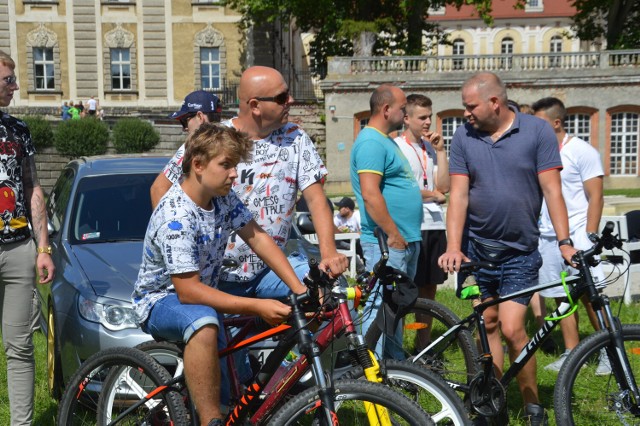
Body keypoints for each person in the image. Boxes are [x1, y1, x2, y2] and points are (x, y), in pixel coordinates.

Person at [150, 66, 347, 381]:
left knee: (330, 300)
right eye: (282, 97)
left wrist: (327, 253)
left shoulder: (295, 138)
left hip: (270, 268)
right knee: (233, 380)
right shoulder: (216, 140)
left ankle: (292, 380)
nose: (291, 101)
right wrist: (181, 248)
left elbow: (316, 198)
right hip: (218, 277)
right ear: (255, 105)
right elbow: (161, 188)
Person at [133, 123, 302, 426]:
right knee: (204, 322)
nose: (234, 174)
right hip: (160, 301)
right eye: (226, 165)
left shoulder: (222, 198)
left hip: (199, 298)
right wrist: (258, 306)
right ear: (197, 165)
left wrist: (298, 289)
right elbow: (188, 292)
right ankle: (212, 420)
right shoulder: (177, 216)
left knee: (228, 338)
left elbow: (258, 237)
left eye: (235, 165)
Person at [438, 72, 576, 426]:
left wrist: (564, 242)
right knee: (489, 323)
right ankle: (493, 401)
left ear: (494, 103)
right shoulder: (464, 136)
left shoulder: (536, 131)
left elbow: (552, 191)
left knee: (515, 329)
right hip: (477, 252)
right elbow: (459, 195)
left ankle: (533, 406)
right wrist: (454, 246)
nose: (465, 113)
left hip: (520, 252)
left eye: (470, 107)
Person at [532, 97, 610, 374]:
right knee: (560, 296)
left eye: (538, 122)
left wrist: (589, 235)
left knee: (590, 294)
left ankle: (608, 354)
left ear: (556, 122)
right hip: (549, 236)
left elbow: (596, 195)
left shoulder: (581, 150)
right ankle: (571, 352)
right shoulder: (538, 151)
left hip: (577, 233)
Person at [0, 50, 55, 426]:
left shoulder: (18, 130)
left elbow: (34, 187)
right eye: (8, 80)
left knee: (20, 348)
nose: (16, 86)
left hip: (18, 248)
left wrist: (43, 247)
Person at [350, 84, 423, 359]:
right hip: (387, 242)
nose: (405, 114)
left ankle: (395, 364)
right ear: (386, 109)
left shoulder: (384, 140)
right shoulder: (371, 142)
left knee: (396, 305)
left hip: (401, 239)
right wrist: (392, 234)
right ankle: (372, 371)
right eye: (403, 108)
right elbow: (370, 194)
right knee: (381, 304)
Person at [394, 94, 449, 350]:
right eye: (422, 117)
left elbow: (445, 186)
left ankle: (422, 346)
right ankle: (398, 345)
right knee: (406, 290)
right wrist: (432, 195)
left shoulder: (430, 147)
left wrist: (440, 151)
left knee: (429, 290)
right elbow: (401, 189)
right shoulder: (397, 147)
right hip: (411, 224)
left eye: (430, 116)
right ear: (406, 118)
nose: (428, 122)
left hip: (435, 224)